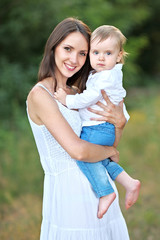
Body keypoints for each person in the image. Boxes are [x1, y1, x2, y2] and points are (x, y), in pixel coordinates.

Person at [26, 17, 130, 240]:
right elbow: (80, 151)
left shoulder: (79, 94)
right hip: (69, 197)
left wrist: (119, 123)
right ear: (53, 47)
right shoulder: (40, 95)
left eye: (83, 53)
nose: (74, 59)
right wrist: (110, 154)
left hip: (101, 188)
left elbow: (109, 142)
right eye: (68, 48)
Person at [54, 25, 141, 219]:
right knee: (102, 161)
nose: (100, 58)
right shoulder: (104, 75)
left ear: (119, 56)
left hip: (96, 128)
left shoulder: (105, 77)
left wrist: (66, 100)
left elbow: (88, 98)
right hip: (105, 129)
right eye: (95, 52)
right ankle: (129, 182)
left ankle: (106, 191)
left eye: (107, 53)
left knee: (85, 157)